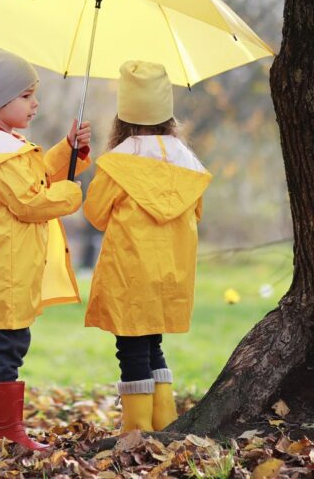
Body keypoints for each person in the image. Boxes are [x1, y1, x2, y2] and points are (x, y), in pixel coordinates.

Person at [0, 47, 91, 450]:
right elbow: (32, 201)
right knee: (8, 350)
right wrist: (70, 195)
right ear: (0, 101)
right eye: (26, 95)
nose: (36, 103)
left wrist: (68, 148)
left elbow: (35, 176)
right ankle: (4, 436)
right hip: (8, 272)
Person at [83, 60, 212, 433]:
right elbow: (196, 212)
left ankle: (136, 433)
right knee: (153, 345)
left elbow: (95, 212)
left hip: (130, 275)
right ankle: (164, 425)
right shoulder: (188, 163)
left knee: (132, 350)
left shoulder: (119, 162)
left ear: (124, 116)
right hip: (170, 274)